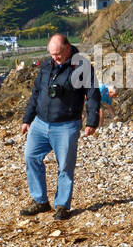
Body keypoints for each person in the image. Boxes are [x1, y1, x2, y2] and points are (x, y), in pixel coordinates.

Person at [20, 34, 100, 220]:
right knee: (31, 157)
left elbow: (93, 95)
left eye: (57, 54)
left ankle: (62, 205)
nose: (54, 58)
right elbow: (36, 94)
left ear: (67, 48)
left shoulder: (82, 67)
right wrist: (27, 119)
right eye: (52, 54)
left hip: (67, 125)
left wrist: (91, 121)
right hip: (40, 123)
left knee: (65, 166)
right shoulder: (47, 66)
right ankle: (40, 201)